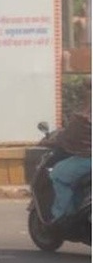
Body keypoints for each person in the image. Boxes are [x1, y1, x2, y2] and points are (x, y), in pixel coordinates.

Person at [48, 85, 91, 221]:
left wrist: (53, 140)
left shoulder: (84, 116)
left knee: (57, 174)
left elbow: (70, 137)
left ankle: (62, 215)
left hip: (88, 159)